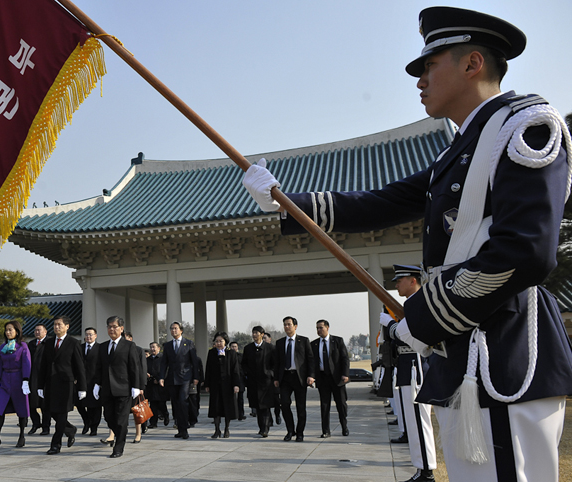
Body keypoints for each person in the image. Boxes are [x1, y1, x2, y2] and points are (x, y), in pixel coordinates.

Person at [243, 6, 572, 481]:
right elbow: (378, 203)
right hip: (466, 356)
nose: (418, 79)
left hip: (504, 352)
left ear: (472, 63)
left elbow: (525, 252)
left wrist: (425, 317)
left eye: (429, 65)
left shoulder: (525, 129)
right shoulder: (459, 151)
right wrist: (282, 201)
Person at [380, 265, 437, 481]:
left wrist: (392, 325)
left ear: (413, 281)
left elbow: (409, 334)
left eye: (400, 280)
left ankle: (427, 471)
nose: (396, 284)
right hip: (407, 365)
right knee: (413, 421)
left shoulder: (419, 301)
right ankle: (421, 468)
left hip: (416, 365)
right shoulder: (411, 303)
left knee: (419, 420)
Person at [92, 316, 141, 458]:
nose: (111, 329)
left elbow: (134, 367)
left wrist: (136, 386)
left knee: (121, 420)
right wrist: (97, 384)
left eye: (114, 326)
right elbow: (99, 367)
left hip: (123, 388)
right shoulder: (102, 346)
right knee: (108, 416)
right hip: (107, 389)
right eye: (109, 326)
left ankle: (118, 447)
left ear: (121, 328)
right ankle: (121, 435)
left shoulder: (129, 346)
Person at [38, 315, 87, 455]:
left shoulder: (73, 342)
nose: (56, 327)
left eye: (59, 324)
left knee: (61, 415)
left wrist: (82, 387)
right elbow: (43, 365)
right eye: (54, 324)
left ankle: (55, 444)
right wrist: (40, 385)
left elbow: (79, 366)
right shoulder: (48, 343)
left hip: (66, 384)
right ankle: (70, 430)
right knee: (52, 412)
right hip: (50, 384)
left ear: (67, 326)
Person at [0, 321, 31, 449]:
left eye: (10, 330)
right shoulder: (2, 347)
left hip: (18, 380)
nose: (8, 332)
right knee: (0, 410)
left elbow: (26, 363)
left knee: (21, 410)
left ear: (17, 331)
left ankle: (22, 436)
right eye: (6, 330)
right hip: (5, 380)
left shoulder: (22, 346)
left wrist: (26, 380)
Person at [274, 317, 314, 442]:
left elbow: (310, 360)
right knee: (284, 404)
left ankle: (300, 432)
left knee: (301, 407)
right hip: (285, 378)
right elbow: (277, 362)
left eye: (289, 324)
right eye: (285, 325)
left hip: (299, 378)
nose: (286, 327)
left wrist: (311, 375)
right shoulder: (280, 343)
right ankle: (290, 430)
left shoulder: (304, 341)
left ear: (295, 326)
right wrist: (276, 378)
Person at [159, 322, 200, 439]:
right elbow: (164, 363)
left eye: (175, 329)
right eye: (171, 329)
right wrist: (162, 377)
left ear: (181, 330)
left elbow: (194, 362)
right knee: (176, 404)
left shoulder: (189, 344)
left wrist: (196, 377)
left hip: (185, 378)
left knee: (183, 402)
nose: (173, 331)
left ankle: (185, 428)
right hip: (172, 378)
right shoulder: (167, 345)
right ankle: (180, 428)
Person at [311, 319, 350, 438]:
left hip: (337, 379)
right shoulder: (314, 344)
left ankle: (344, 427)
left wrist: (345, 374)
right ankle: (326, 431)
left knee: (341, 404)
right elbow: (312, 362)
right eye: (317, 328)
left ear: (327, 328)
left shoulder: (337, 341)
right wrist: (312, 376)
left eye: (321, 328)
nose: (318, 330)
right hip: (322, 378)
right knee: (324, 405)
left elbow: (345, 359)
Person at [204, 332, 241, 438]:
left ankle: (226, 429)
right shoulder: (211, 353)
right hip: (215, 384)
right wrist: (207, 384)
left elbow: (235, 370)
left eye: (221, 341)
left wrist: (236, 384)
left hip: (228, 385)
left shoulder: (231, 353)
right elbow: (208, 369)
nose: (219, 343)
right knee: (216, 407)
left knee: (227, 407)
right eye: (217, 341)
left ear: (225, 342)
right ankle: (217, 429)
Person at [242, 326, 275, 437]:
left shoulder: (270, 348)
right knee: (257, 406)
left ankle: (265, 429)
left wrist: (270, 373)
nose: (254, 335)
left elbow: (275, 364)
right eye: (253, 333)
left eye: (256, 333)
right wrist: (247, 374)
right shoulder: (248, 348)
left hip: (266, 383)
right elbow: (244, 364)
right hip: (253, 382)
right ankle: (261, 427)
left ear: (262, 334)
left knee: (265, 406)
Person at [124, 331, 148, 444]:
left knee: (136, 411)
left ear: (131, 338)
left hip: (135, 385)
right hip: (122, 384)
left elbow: (142, 369)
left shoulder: (138, 350)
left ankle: (138, 434)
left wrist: (141, 386)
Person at [27, 323, 50, 435]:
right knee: (31, 403)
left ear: (45, 332)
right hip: (32, 377)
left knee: (45, 405)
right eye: (35, 330)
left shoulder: (49, 343)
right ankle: (36, 423)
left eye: (39, 330)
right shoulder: (31, 344)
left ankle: (46, 427)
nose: (37, 332)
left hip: (45, 378)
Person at [77, 327, 101, 436]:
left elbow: (102, 366)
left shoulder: (100, 348)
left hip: (94, 381)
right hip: (81, 381)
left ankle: (94, 427)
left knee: (94, 406)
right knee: (79, 404)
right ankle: (86, 422)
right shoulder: (80, 348)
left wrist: (99, 382)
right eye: (86, 334)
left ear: (95, 336)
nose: (88, 336)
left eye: (91, 334)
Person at [146, 341, 169, 428]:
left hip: (161, 384)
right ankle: (153, 422)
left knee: (161, 403)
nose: (152, 349)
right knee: (153, 405)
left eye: (154, 347)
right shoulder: (147, 359)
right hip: (151, 384)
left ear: (159, 348)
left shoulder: (163, 358)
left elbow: (166, 370)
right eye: (151, 347)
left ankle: (165, 415)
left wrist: (160, 379)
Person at [263, 332, 282, 426]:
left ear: (270, 339)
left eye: (265, 338)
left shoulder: (273, 349)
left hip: (273, 379)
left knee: (276, 400)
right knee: (266, 401)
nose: (263, 340)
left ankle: (277, 415)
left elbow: (277, 363)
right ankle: (269, 419)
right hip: (264, 380)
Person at [229, 341, 246, 420]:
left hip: (240, 379)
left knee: (240, 398)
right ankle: (232, 414)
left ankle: (241, 414)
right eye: (232, 346)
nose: (234, 348)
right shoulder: (228, 356)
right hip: (230, 379)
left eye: (235, 346)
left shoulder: (241, 356)